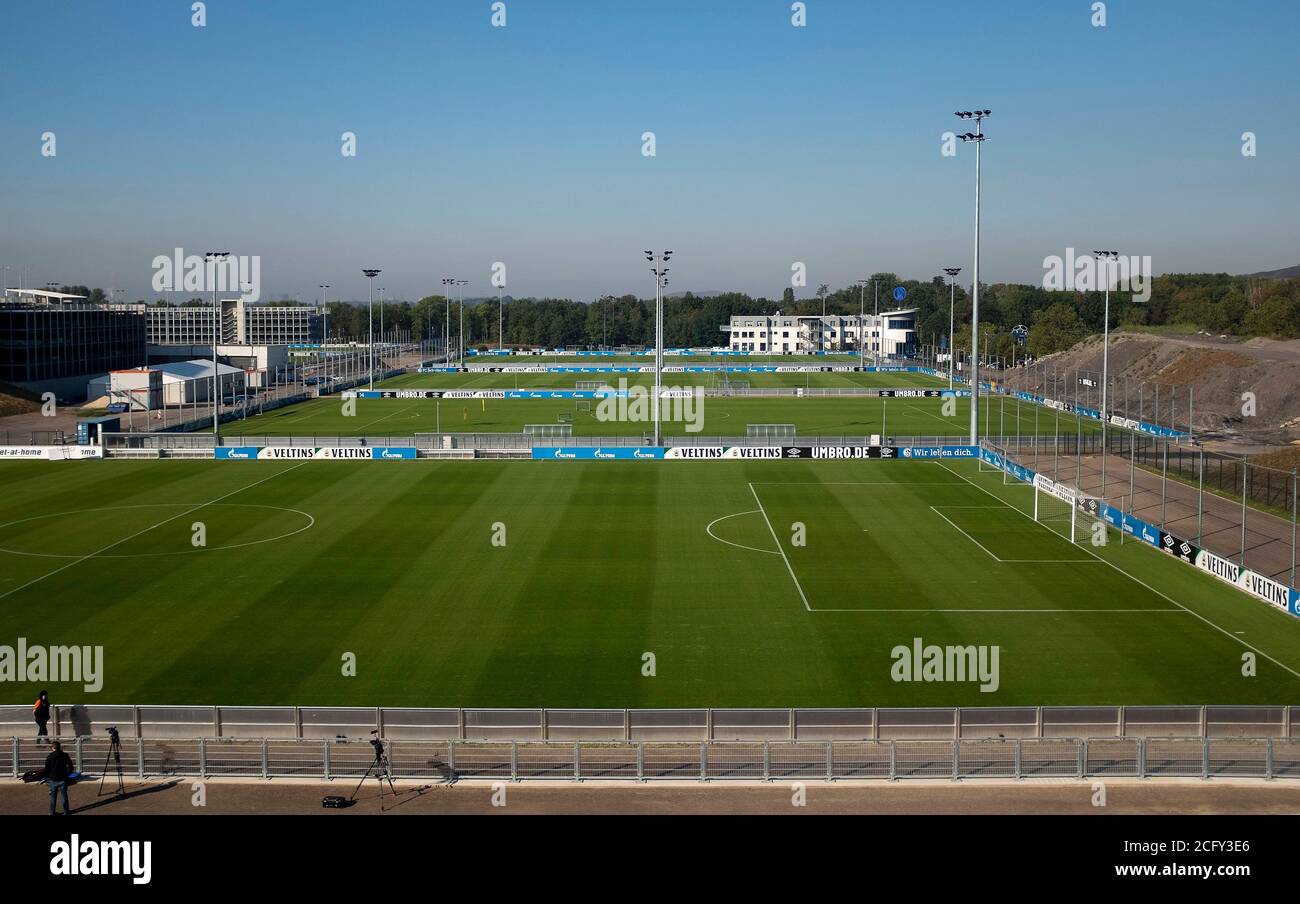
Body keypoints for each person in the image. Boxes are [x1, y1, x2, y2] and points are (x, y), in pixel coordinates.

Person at [45, 741, 73, 816]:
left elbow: (47, 769)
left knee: (53, 797)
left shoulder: (49, 757)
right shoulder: (65, 755)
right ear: (59, 747)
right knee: (64, 795)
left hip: (53, 779)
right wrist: (67, 774)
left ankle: (52, 812)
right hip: (63, 778)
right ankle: (66, 811)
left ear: (53, 748)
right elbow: (71, 767)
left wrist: (49, 777)